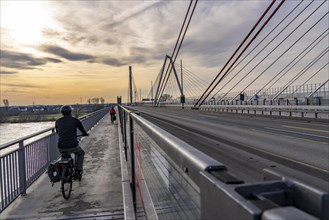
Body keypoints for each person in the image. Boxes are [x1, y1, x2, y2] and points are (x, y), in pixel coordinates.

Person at [55, 105, 89, 179]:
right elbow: (82, 129)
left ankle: (64, 173)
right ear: (70, 112)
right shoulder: (75, 120)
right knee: (80, 153)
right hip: (73, 145)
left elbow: (58, 132)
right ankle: (78, 170)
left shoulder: (58, 121)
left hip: (61, 146)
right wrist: (85, 134)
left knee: (64, 155)